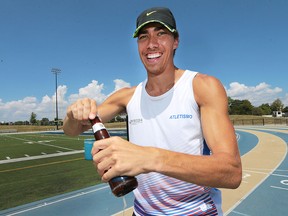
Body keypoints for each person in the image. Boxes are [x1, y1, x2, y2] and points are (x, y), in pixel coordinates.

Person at [63, 7, 242, 216]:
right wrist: (72, 113)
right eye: (143, 36)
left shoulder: (202, 86)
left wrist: (149, 158)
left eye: (161, 33)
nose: (151, 44)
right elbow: (72, 130)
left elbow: (231, 172)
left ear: (176, 41)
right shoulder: (127, 96)